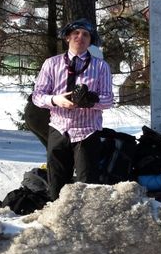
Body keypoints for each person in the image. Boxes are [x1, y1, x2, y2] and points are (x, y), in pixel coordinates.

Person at [32, 18, 113, 201]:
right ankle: (57, 223)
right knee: (57, 185)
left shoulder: (101, 67)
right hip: (58, 129)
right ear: (68, 37)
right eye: (76, 33)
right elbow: (37, 96)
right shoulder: (51, 64)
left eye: (86, 34)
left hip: (87, 131)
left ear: (90, 41)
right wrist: (55, 99)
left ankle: (85, 225)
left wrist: (90, 101)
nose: (80, 37)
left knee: (87, 187)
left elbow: (108, 100)